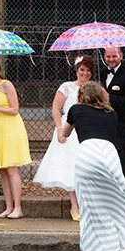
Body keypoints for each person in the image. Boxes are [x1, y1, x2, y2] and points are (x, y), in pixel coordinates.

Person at [61, 80, 125, 251]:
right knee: (111, 209)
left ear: (82, 95)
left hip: (88, 156)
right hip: (109, 157)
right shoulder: (112, 114)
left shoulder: (75, 110)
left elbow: (65, 133)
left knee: (90, 214)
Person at [33, 55, 94, 220]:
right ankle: (75, 206)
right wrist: (60, 128)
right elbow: (55, 107)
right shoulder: (67, 87)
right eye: (82, 69)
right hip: (68, 130)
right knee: (70, 168)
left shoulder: (94, 88)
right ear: (77, 70)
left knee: (86, 169)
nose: (85, 73)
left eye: (88, 70)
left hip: (87, 130)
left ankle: (86, 204)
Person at [0, 57, 32, 217]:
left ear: (0, 70)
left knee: (11, 169)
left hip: (10, 128)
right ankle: (8, 207)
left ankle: (18, 207)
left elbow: (15, 109)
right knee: (2, 170)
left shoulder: (7, 85)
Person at [100, 45, 125, 212]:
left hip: (123, 130)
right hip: (104, 129)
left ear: (121, 56)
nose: (111, 59)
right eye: (108, 57)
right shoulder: (101, 74)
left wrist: (109, 97)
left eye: (114, 56)